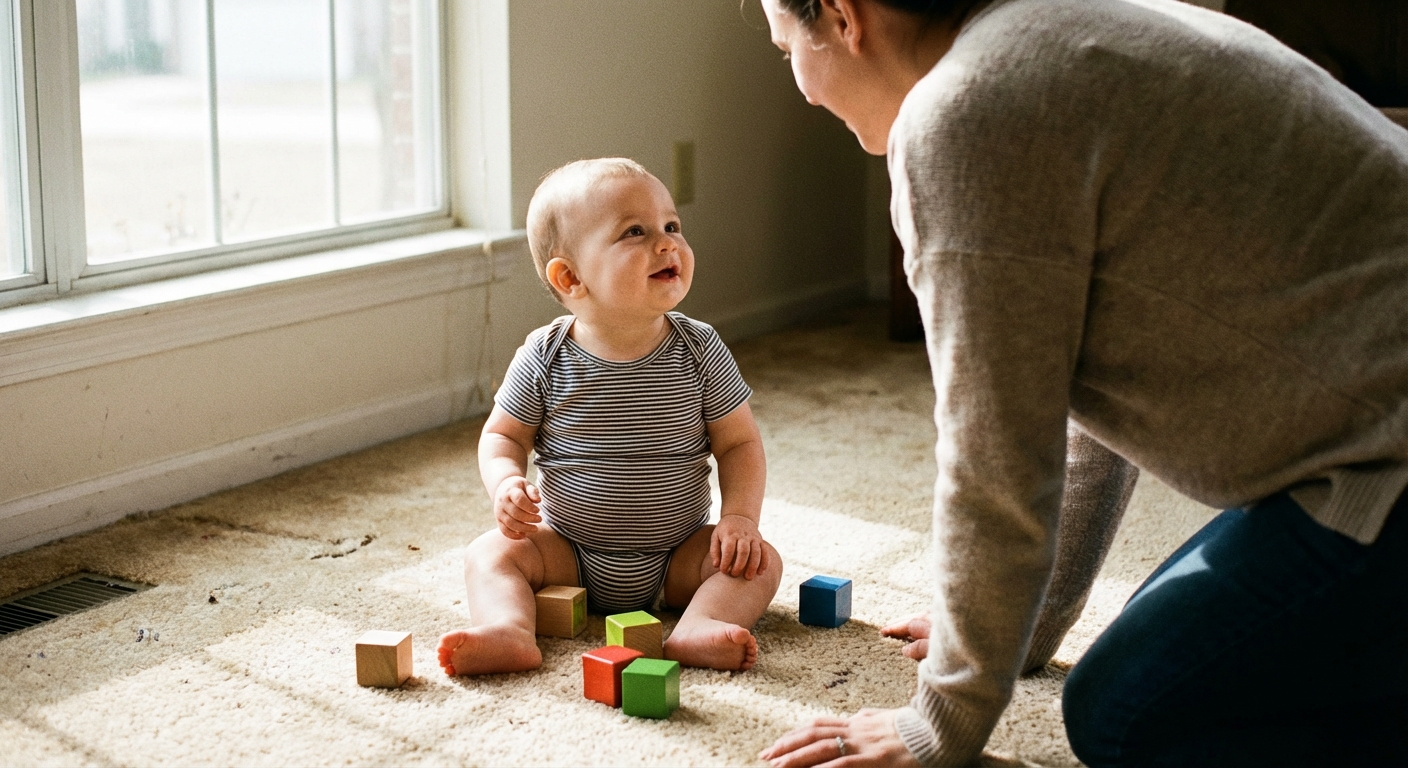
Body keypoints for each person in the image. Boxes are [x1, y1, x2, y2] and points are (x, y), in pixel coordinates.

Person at [753, 0, 1408, 765]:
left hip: (1384, 461)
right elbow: (1077, 393)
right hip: (1365, 439)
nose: (798, 85)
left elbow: (993, 457)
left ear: (841, 14)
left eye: (784, 46)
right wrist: (1026, 626)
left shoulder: (963, 112)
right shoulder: (1061, 30)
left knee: (1129, 711)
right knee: (1165, 641)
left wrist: (940, 723)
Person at [436, 158, 783, 676]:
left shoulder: (700, 349)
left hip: (676, 556)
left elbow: (739, 444)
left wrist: (739, 520)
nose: (666, 243)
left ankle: (698, 625)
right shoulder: (545, 356)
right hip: (567, 554)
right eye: (634, 233)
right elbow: (502, 435)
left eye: (671, 226)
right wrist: (506, 483)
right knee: (489, 555)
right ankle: (508, 629)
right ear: (570, 277)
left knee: (760, 563)